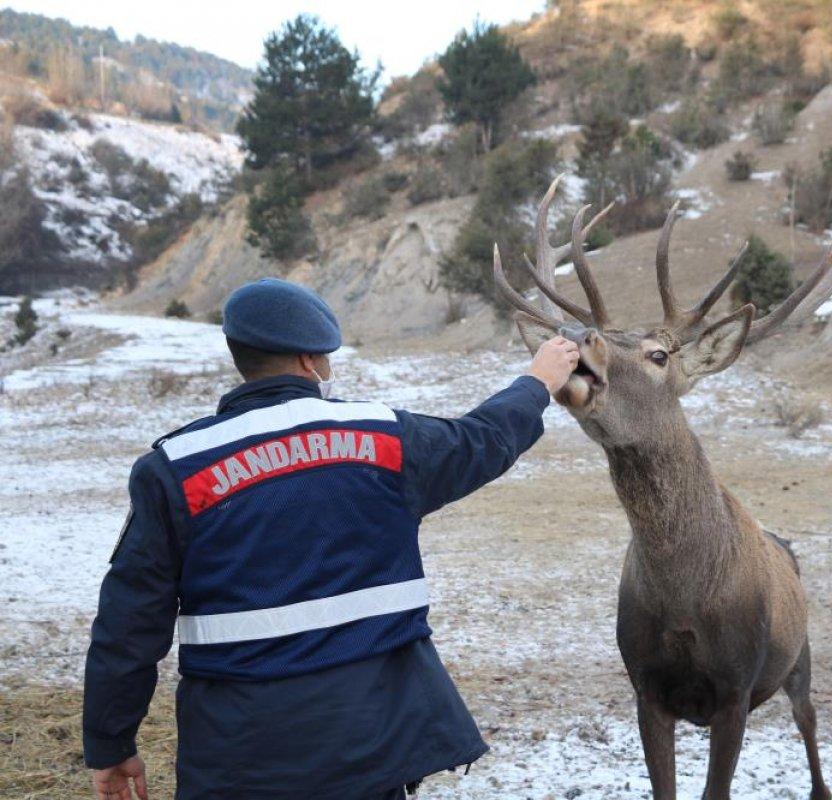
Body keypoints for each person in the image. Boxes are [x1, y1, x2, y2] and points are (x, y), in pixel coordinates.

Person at [82, 278, 579, 800]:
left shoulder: (174, 469)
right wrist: (537, 381)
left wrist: (110, 744)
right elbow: (482, 440)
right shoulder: (384, 439)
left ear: (240, 357)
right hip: (373, 745)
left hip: (239, 757)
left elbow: (128, 624)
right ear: (310, 360)